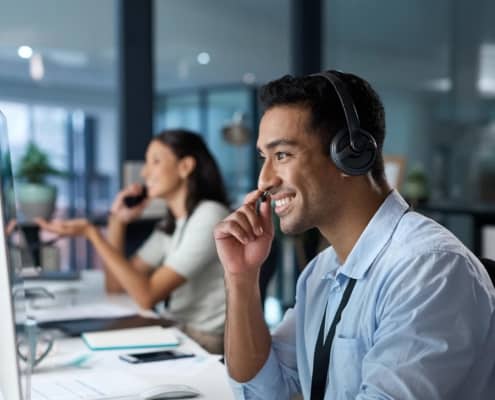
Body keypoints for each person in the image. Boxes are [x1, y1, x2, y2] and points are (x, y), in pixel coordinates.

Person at [213, 70, 495, 399]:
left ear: (351, 154)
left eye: (282, 155)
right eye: (264, 158)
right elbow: (262, 390)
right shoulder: (321, 273)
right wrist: (242, 277)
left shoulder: (428, 270)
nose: (264, 180)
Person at [37, 129, 229, 354]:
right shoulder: (173, 223)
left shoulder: (209, 216)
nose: (146, 173)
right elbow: (117, 287)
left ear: (185, 167)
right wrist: (117, 222)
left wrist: (93, 234)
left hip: (203, 340)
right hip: (177, 330)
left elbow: (146, 296)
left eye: (155, 161)